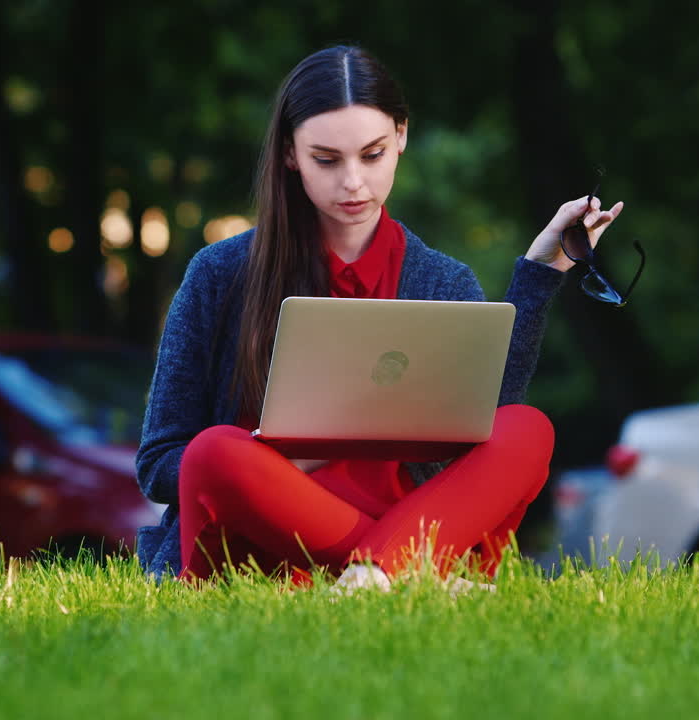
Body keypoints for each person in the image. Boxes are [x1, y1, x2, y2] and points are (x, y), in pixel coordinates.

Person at [134, 46, 623, 589]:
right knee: (212, 452)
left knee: (527, 428)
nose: (353, 184)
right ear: (290, 155)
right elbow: (160, 462)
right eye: (326, 159)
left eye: (372, 155)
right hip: (268, 544)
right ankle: (405, 580)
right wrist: (277, 460)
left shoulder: (444, 281)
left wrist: (541, 270)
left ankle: (375, 576)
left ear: (402, 138)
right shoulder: (219, 274)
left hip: (416, 528)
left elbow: (484, 430)